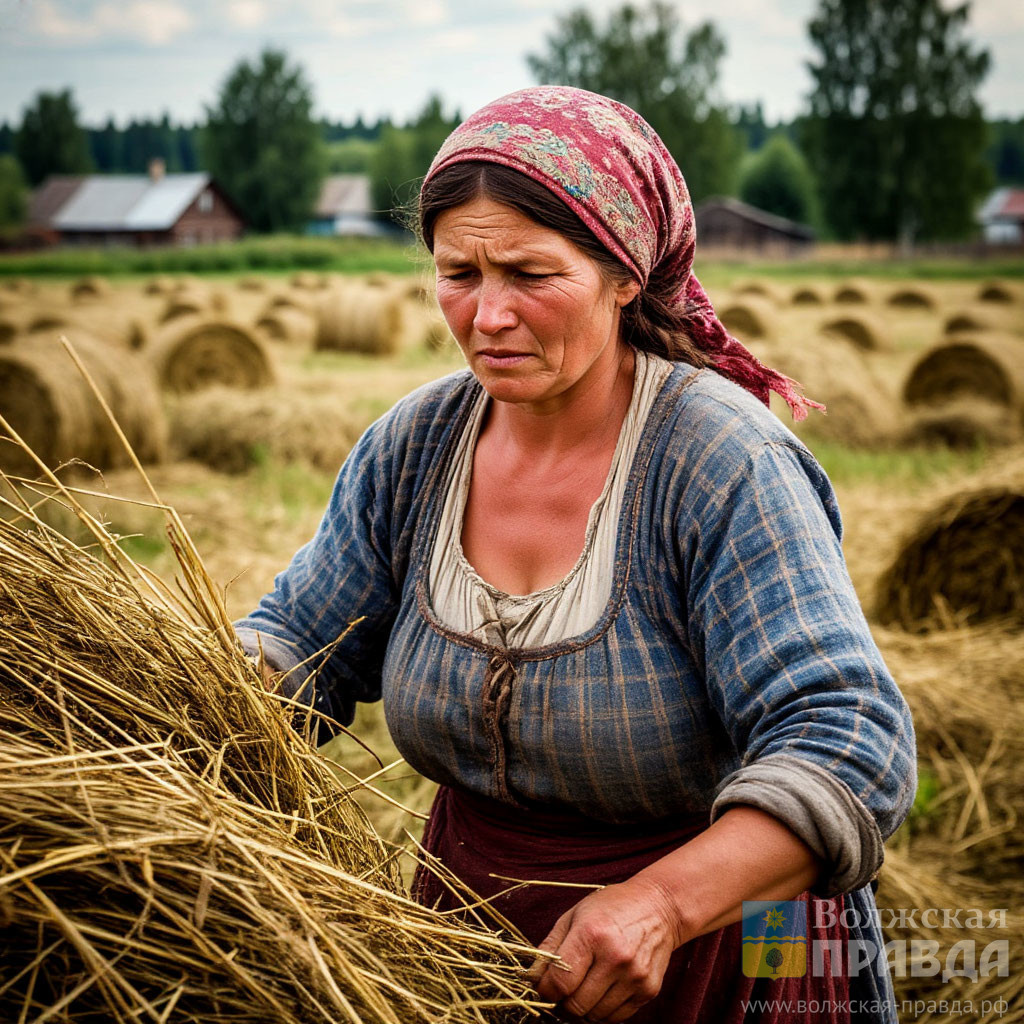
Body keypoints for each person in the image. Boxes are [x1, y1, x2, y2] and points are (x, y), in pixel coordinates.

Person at [235, 86, 916, 1024]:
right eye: (458, 273)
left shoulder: (718, 464)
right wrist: (160, 704)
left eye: (529, 273)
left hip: (720, 954)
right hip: (466, 953)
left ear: (624, 274)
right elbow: (300, 645)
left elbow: (851, 743)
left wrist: (661, 905)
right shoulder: (415, 447)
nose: (488, 315)